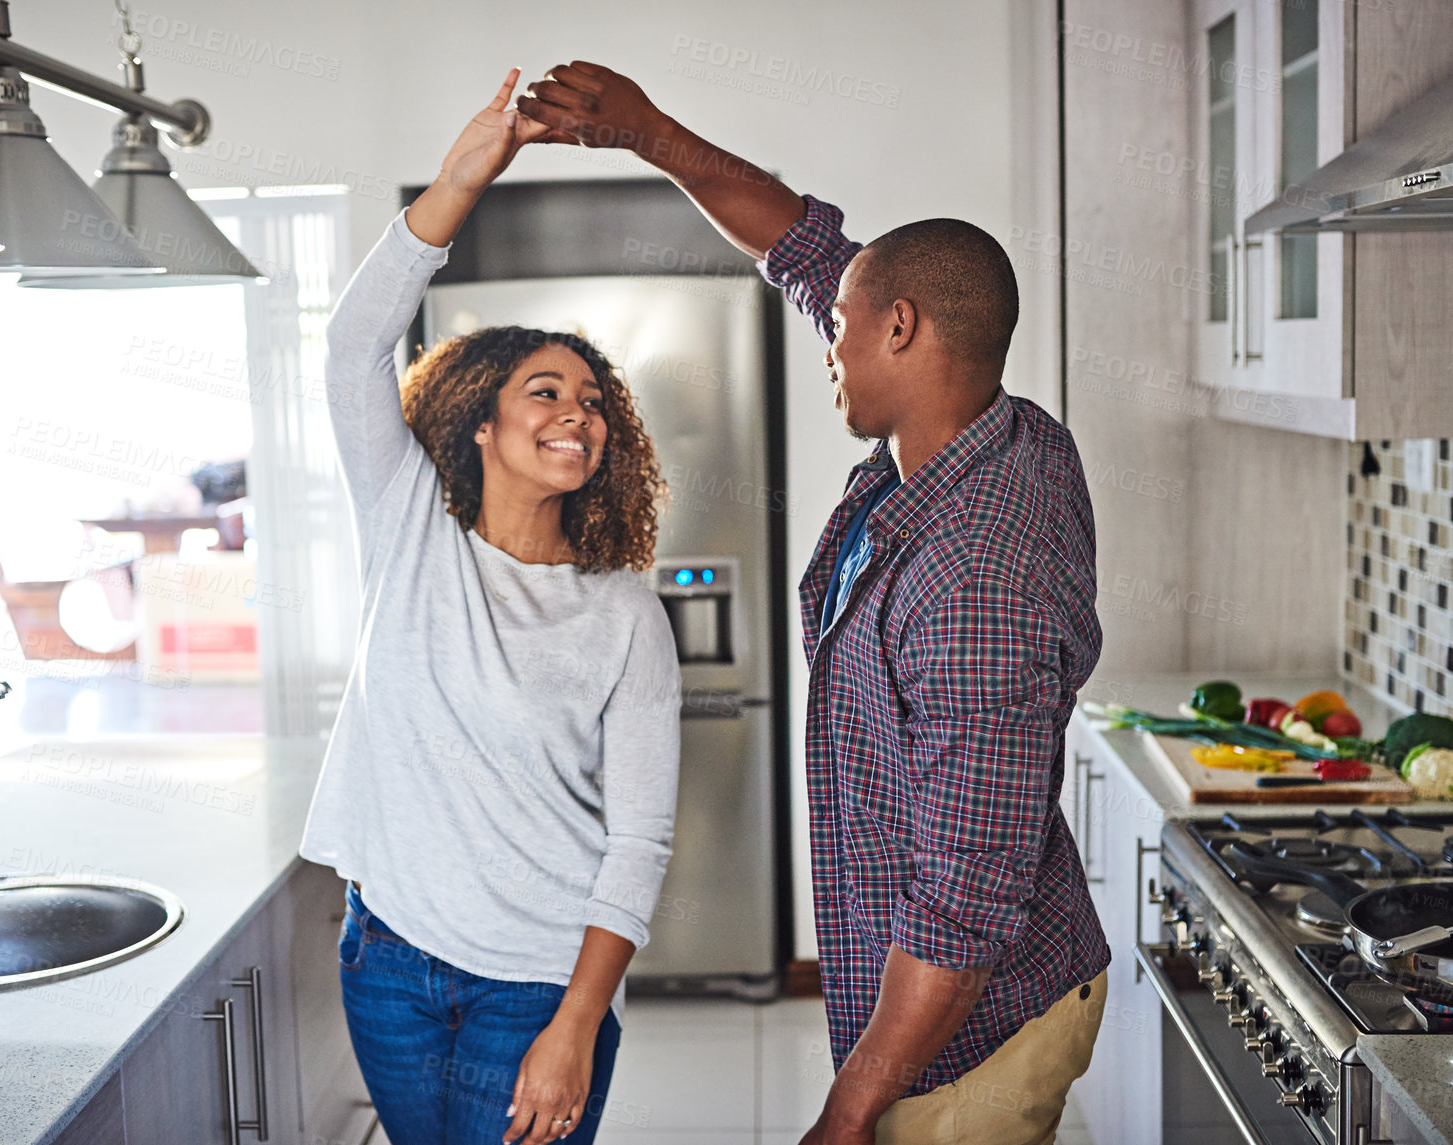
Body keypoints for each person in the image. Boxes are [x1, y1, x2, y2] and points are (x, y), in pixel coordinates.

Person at [516, 63, 1110, 1145]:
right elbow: (802, 255)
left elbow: (963, 902)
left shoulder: (972, 579)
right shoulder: (998, 429)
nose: (824, 338)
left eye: (841, 323)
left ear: (901, 329)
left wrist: (845, 1112)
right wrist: (647, 132)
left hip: (970, 1029)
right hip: (946, 990)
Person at [297, 70, 681, 1145]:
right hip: (388, 960)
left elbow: (640, 840)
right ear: (478, 421)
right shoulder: (408, 526)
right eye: (546, 391)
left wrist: (577, 1019)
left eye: (593, 400)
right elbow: (348, 348)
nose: (577, 413)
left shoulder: (622, 616)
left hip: (538, 980)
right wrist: (465, 175)